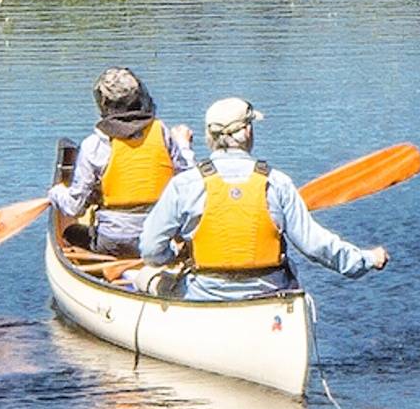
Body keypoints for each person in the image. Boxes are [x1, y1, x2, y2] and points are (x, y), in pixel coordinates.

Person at [140, 97, 390, 301]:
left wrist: (173, 255)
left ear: (209, 137)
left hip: (205, 296)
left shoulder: (185, 185)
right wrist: (365, 259)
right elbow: (315, 245)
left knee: (146, 279)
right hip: (269, 297)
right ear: (247, 131)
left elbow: (150, 249)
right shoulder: (277, 183)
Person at [49, 67, 196, 255]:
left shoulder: (93, 145)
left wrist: (56, 192)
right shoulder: (163, 133)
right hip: (161, 238)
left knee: (71, 232)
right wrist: (184, 146)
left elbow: (74, 208)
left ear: (103, 104)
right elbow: (189, 184)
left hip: (113, 242)